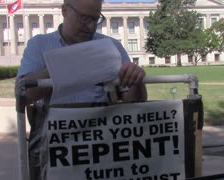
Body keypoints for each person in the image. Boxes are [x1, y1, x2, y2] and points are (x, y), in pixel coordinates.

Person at [15, 0, 147, 179]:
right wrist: (69, 65)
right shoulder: (39, 45)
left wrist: (136, 80)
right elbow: (23, 94)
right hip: (53, 146)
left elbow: (135, 104)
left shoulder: (112, 46)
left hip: (101, 145)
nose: (91, 26)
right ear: (64, 11)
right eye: (85, 18)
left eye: (96, 19)